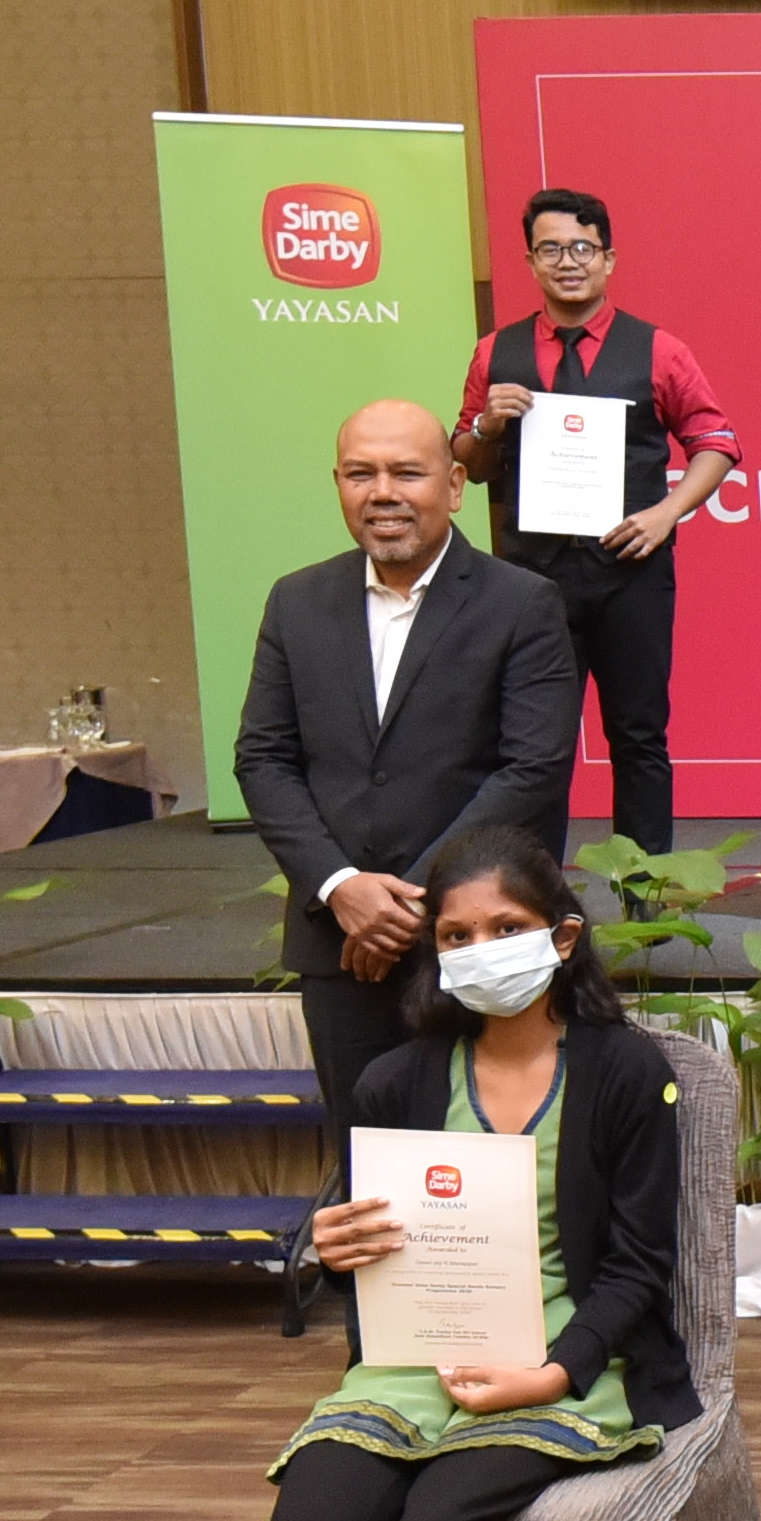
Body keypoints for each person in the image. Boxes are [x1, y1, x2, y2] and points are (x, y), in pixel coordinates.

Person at [268, 823, 702, 1521]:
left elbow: (642, 1269)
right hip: (413, 1358)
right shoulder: (398, 1077)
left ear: (561, 937)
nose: (477, 949)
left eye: (504, 929)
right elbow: (334, 1237)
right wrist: (326, 1245)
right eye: (455, 933)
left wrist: (548, 1375)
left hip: (566, 1358)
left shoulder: (623, 1071)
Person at [228, 400, 579, 1134]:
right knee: (367, 1167)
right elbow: (263, 758)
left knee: (487, 1171)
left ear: (454, 485)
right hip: (340, 946)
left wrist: (416, 899)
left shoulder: (523, 603)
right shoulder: (297, 602)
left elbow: (533, 768)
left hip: (481, 941)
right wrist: (342, 887)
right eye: (361, 474)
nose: (382, 492)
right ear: (338, 485)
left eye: (406, 473)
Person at [448, 185, 742, 857]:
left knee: (638, 736)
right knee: (531, 743)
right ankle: (530, 895)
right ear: (530, 262)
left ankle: (645, 895)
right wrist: (488, 424)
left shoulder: (660, 350)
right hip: (530, 581)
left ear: (608, 260)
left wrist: (667, 513)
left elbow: (718, 443)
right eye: (551, 249)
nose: (568, 262)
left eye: (582, 248)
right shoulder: (496, 353)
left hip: (629, 573)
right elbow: (470, 460)